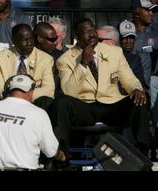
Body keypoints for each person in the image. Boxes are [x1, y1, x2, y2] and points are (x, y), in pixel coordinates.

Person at [55, 18, 150, 157]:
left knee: (140, 98)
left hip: (112, 105)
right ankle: (62, 154)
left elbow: (130, 79)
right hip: (85, 106)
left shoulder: (115, 52)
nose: (92, 34)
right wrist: (83, 64)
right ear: (76, 36)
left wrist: (136, 89)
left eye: (92, 29)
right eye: (86, 31)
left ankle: (142, 152)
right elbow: (69, 92)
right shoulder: (65, 59)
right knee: (61, 102)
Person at [0, 74, 66, 170]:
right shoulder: (39, 114)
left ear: (10, 90)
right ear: (31, 91)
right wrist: (62, 156)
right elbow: (51, 151)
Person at [0, 24, 55, 111]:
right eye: (25, 40)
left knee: (46, 101)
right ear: (14, 41)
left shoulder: (46, 59)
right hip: (8, 102)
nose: (30, 43)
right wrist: (14, 97)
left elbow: (49, 90)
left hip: (34, 102)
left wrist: (23, 96)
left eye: (31, 39)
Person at [131, 0, 156, 88]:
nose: (151, 13)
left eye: (151, 10)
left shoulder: (155, 33)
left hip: (149, 85)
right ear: (137, 11)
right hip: (129, 85)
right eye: (147, 10)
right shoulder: (126, 32)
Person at [118, 20, 147, 93]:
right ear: (119, 39)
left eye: (131, 37)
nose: (128, 41)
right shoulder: (113, 54)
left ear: (135, 39)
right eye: (125, 37)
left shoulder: (138, 58)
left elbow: (141, 82)